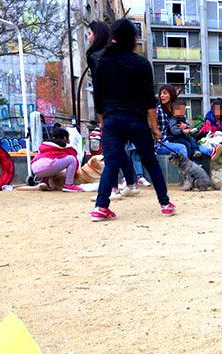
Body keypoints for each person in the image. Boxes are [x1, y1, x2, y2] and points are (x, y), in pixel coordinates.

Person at [92, 19, 175, 221]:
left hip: (111, 119)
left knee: (111, 163)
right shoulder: (141, 63)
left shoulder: (103, 62)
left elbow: (98, 97)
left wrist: (102, 121)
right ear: (132, 39)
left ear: (113, 38)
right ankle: (165, 203)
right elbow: (149, 100)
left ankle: (101, 206)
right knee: (150, 161)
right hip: (135, 120)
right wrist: (154, 128)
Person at [86, 20, 131, 200]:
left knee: (110, 149)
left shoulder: (96, 56)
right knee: (117, 149)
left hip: (111, 107)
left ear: (97, 35)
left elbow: (101, 86)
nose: (88, 37)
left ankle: (113, 189)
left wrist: (102, 116)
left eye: (89, 33)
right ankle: (129, 183)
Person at [154, 84, 189, 159]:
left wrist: (185, 126)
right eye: (160, 93)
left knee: (194, 145)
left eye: (165, 93)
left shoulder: (178, 109)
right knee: (182, 147)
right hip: (161, 143)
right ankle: (187, 169)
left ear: (171, 95)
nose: (161, 96)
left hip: (176, 139)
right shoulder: (158, 110)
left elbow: (187, 124)